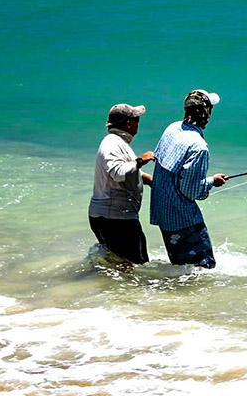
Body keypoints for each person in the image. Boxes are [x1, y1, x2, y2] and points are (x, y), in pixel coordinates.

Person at [149, 89, 228, 268]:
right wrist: (211, 182)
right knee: (203, 269)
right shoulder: (199, 147)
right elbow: (191, 191)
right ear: (207, 112)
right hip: (183, 219)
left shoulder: (172, 128)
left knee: (181, 269)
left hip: (164, 215)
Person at [89, 103, 155, 264]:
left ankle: (105, 280)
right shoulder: (112, 143)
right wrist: (141, 160)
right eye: (136, 119)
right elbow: (118, 173)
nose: (138, 123)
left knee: (118, 263)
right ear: (128, 123)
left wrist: (149, 180)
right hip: (116, 218)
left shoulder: (118, 142)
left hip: (107, 215)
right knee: (137, 264)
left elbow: (128, 171)